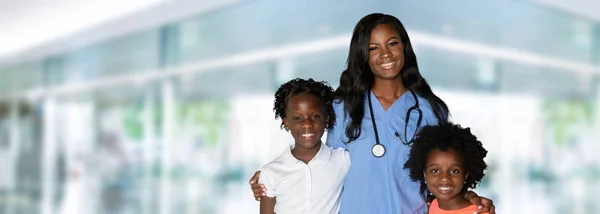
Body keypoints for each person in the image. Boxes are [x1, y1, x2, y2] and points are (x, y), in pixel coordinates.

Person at [250, 13, 496, 213]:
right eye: (373, 48)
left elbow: (444, 170)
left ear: (404, 48)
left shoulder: (430, 110)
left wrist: (470, 197)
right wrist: (275, 175)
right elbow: (320, 160)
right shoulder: (341, 108)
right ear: (362, 56)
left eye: (392, 44)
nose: (385, 55)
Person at [259, 78, 350, 214]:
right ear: (287, 123)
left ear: (326, 121)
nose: (307, 124)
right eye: (297, 118)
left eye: (315, 116)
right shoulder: (270, 172)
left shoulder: (343, 160)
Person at [404, 123, 489, 214]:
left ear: (465, 176)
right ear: (425, 174)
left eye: (454, 171)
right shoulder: (433, 204)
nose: (444, 178)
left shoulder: (479, 212)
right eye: (435, 170)